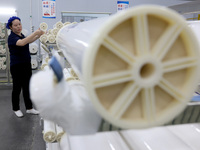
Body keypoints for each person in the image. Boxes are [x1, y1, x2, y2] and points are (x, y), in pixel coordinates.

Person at [6, 16, 44, 117]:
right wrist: (35, 33)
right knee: (17, 88)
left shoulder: (21, 35)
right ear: (11, 27)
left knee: (27, 87)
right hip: (17, 66)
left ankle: (29, 108)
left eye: (19, 24)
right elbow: (22, 43)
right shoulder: (12, 38)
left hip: (26, 64)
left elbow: (27, 41)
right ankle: (16, 108)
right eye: (16, 25)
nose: (18, 26)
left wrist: (38, 36)